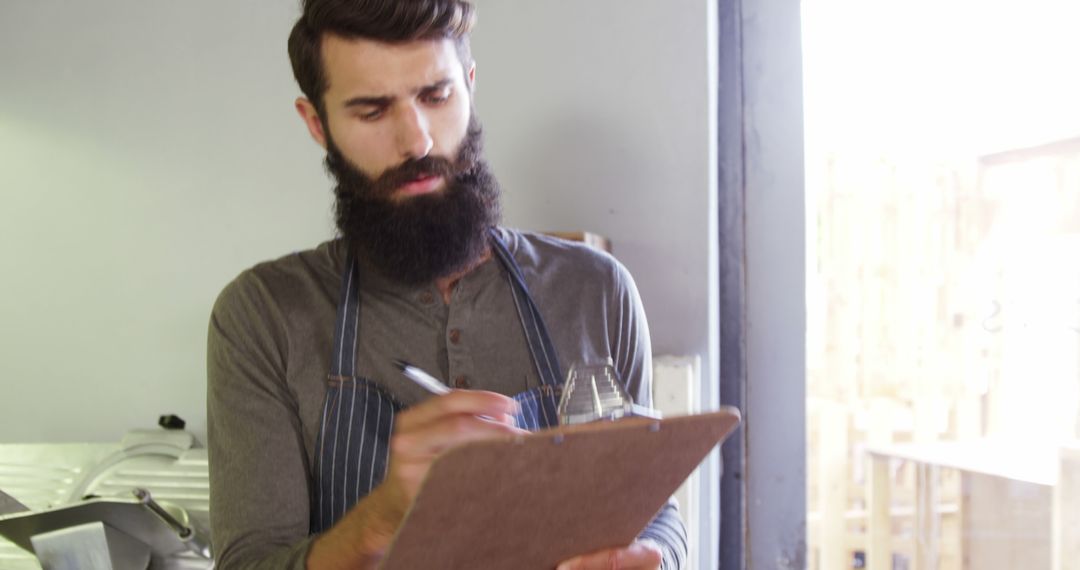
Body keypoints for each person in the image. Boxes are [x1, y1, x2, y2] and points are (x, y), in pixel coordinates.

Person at [206, 0, 687, 568]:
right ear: (318, 124)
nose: (418, 142)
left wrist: (653, 558)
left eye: (436, 97)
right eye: (372, 111)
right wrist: (379, 520)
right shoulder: (263, 316)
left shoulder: (595, 290)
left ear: (470, 85)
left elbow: (654, 510)